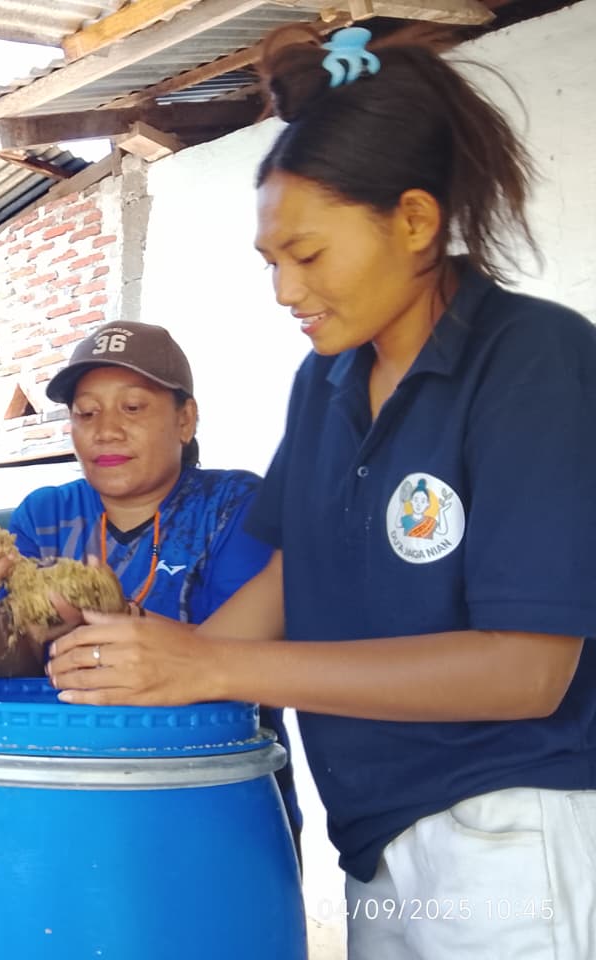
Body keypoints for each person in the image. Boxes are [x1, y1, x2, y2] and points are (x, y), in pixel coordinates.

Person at [47, 25, 596, 960]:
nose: (282, 289)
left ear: (415, 222)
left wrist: (213, 669)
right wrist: (159, 672)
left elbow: (527, 671)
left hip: (510, 833)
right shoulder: (327, 382)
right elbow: (300, 574)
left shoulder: (530, 359)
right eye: (270, 261)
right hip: (373, 839)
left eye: (306, 253)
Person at [0, 319, 302, 852]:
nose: (106, 431)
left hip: (210, 796)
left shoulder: (236, 507)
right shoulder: (46, 513)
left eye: (133, 408)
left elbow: (236, 665)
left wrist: (124, 620)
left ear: (185, 420)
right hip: (72, 795)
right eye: (86, 412)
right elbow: (11, 668)